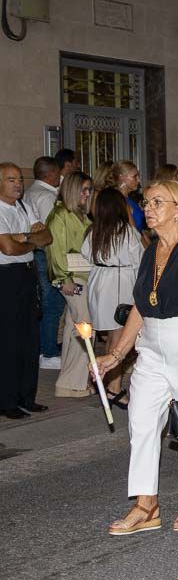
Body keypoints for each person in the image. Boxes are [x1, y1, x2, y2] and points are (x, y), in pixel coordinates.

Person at [94, 180, 178, 534]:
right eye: (146, 202)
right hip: (151, 344)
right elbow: (140, 304)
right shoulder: (150, 250)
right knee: (141, 421)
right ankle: (146, 505)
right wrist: (116, 354)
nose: (147, 208)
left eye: (156, 202)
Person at [0, 163, 53, 419]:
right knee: (9, 340)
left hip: (27, 274)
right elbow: (7, 249)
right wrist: (28, 241)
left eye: (19, 178)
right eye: (11, 179)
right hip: (7, 278)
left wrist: (23, 239)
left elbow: (47, 236)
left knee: (30, 337)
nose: (18, 183)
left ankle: (26, 396)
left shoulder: (24, 206)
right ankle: (7, 400)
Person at [82, 188, 144, 402]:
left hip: (99, 282)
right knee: (121, 338)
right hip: (121, 283)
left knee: (112, 337)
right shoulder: (125, 231)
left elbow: (85, 254)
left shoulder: (94, 230)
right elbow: (140, 258)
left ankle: (106, 382)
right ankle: (114, 388)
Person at [46, 172, 95, 398]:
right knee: (84, 329)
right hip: (72, 277)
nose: (87, 194)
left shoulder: (78, 214)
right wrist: (63, 279)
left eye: (89, 190)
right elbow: (55, 250)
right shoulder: (60, 215)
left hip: (81, 275)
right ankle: (73, 382)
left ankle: (68, 381)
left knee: (73, 329)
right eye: (84, 190)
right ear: (73, 190)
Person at [26, 156, 64, 370]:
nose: (59, 177)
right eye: (58, 173)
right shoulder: (46, 196)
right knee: (52, 303)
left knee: (47, 302)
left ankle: (45, 348)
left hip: (38, 253)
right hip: (47, 254)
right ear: (50, 174)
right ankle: (48, 352)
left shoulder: (31, 192)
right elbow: (53, 231)